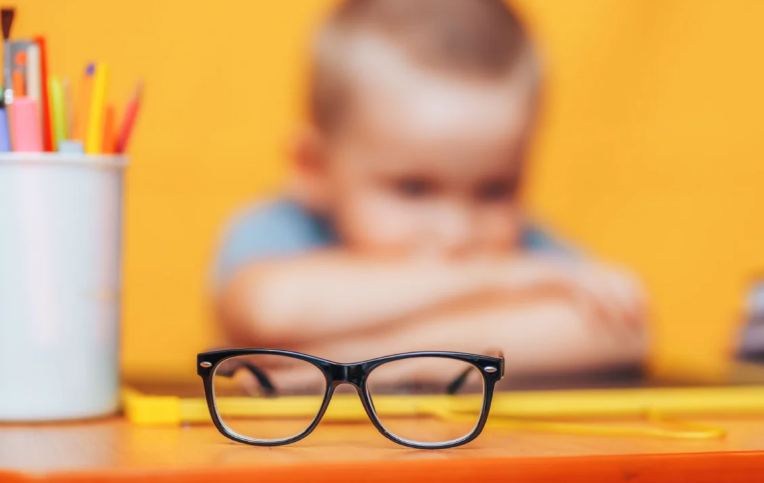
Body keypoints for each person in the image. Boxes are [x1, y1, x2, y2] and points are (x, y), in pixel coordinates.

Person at [213, 0, 647, 380]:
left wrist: (356, 359)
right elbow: (271, 310)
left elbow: (622, 335)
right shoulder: (280, 231)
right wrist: (496, 278)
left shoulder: (524, 244)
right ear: (314, 168)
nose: (457, 232)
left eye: (495, 190)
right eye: (414, 188)